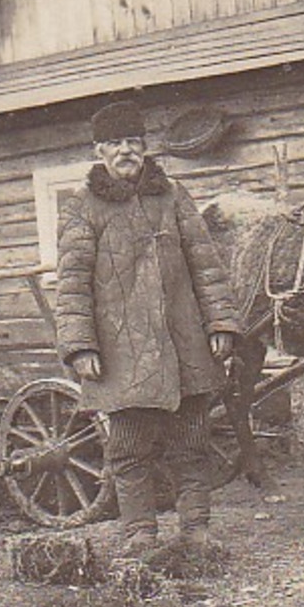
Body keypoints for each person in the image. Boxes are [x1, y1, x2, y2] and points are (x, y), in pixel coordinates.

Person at [55, 100, 241, 571]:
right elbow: (72, 282)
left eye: (133, 142)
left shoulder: (173, 195)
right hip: (121, 350)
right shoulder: (82, 206)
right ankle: (139, 536)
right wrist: (80, 346)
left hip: (184, 345)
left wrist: (220, 323)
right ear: (99, 151)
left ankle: (196, 532)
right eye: (115, 143)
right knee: (129, 449)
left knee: (193, 444)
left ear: (144, 147)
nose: (126, 151)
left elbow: (207, 265)